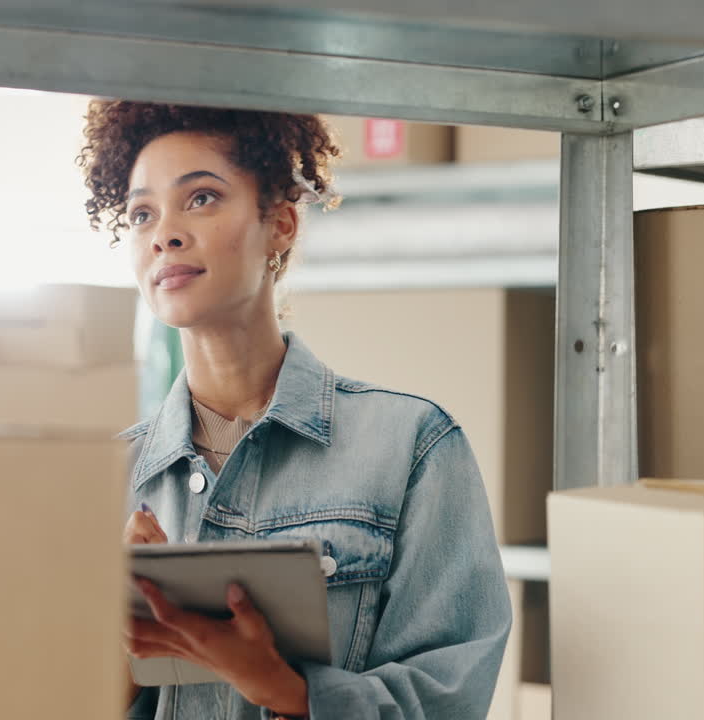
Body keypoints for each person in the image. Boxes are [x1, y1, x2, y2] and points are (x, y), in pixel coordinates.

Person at [77, 101, 512, 720]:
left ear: (280, 224)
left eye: (200, 198)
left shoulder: (412, 446)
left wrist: (286, 688)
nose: (163, 233)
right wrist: (115, 653)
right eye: (142, 212)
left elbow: (452, 698)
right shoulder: (107, 479)